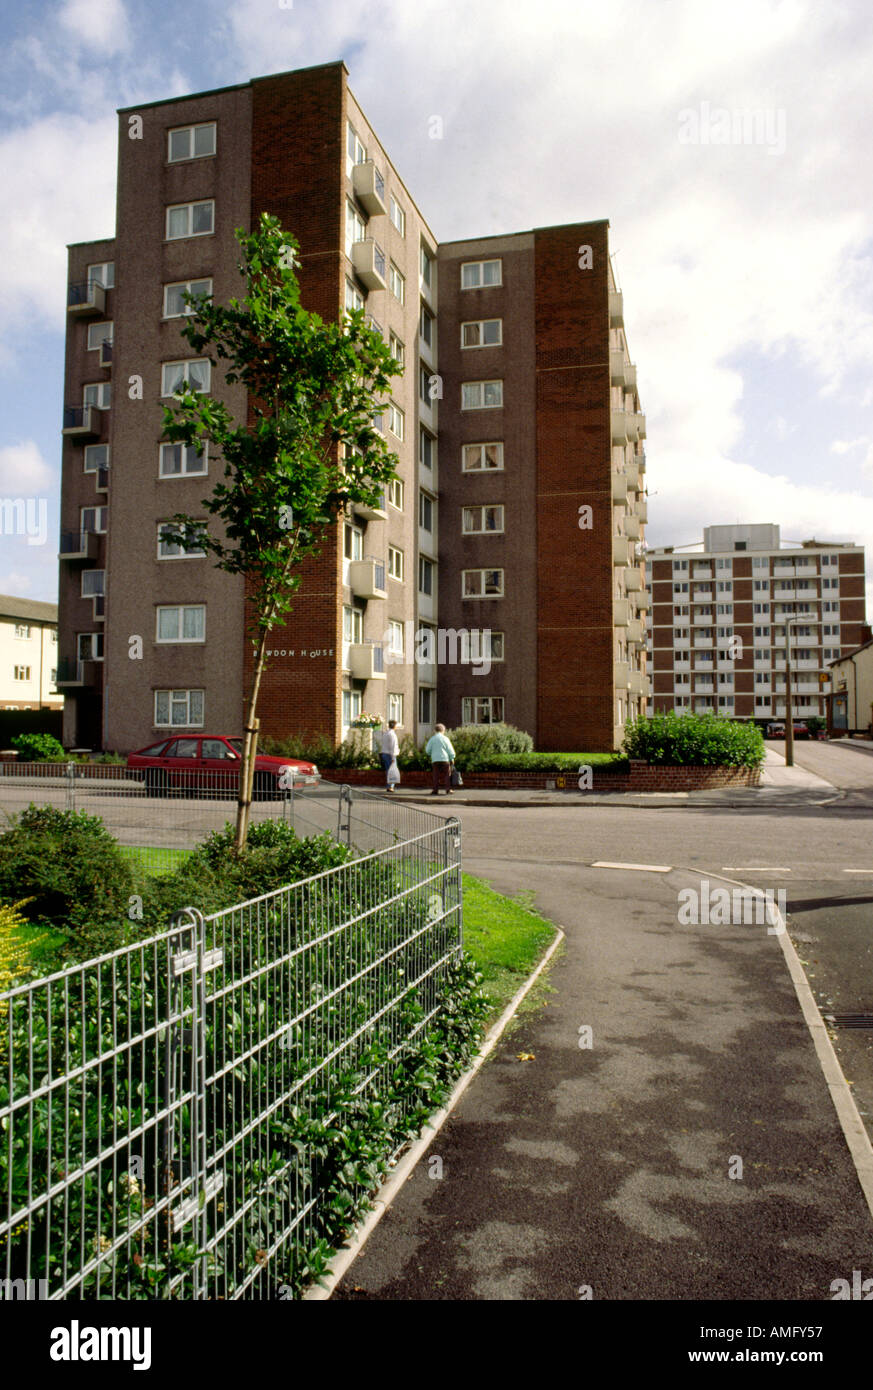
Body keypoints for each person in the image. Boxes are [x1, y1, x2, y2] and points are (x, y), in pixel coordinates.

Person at [425, 723, 456, 795]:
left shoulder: (432, 739)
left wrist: (431, 754)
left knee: (435, 775)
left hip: (435, 760)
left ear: (435, 730)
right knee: (447, 775)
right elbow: (450, 749)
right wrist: (452, 757)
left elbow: (427, 750)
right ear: (443, 730)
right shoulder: (445, 739)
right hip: (445, 759)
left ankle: (435, 790)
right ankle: (448, 789)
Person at [380, 719, 400, 792]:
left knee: (388, 771)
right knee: (392, 771)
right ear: (394, 726)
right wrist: (393, 757)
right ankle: (390, 786)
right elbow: (393, 746)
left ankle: (389, 785)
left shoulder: (385, 733)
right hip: (390, 755)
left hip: (384, 753)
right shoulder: (392, 734)